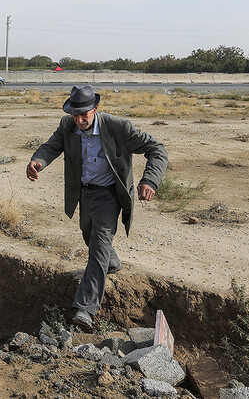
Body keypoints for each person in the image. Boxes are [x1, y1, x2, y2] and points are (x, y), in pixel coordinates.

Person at [26, 85, 168, 329]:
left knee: (100, 242)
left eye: (85, 115)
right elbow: (51, 146)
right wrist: (37, 161)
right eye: (75, 115)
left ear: (96, 108)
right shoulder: (67, 125)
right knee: (90, 237)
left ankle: (86, 309)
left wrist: (149, 181)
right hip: (85, 194)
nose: (80, 121)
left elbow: (158, 149)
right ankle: (111, 262)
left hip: (110, 196)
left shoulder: (118, 127)